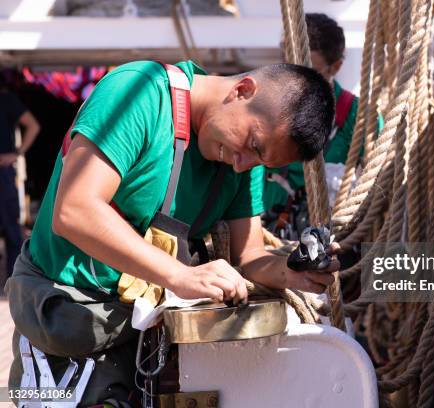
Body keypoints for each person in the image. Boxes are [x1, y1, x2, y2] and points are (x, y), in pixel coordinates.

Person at [5, 60, 338, 405]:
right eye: (253, 146)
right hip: (65, 330)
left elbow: (249, 256)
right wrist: (180, 275)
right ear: (242, 91)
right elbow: (74, 210)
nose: (243, 165)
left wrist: (293, 272)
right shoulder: (139, 93)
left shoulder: (243, 160)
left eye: (261, 162)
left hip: (143, 346)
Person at [263, 13, 383, 237]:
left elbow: (380, 181)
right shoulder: (262, 107)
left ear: (336, 66)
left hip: (334, 236)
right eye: (292, 69)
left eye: (311, 73)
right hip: (269, 235)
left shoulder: (359, 117)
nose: (297, 83)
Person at [0, 73, 40, 279]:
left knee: (11, 227)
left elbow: (33, 125)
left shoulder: (6, 99)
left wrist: (16, 153)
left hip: (3, 172)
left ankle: (12, 281)